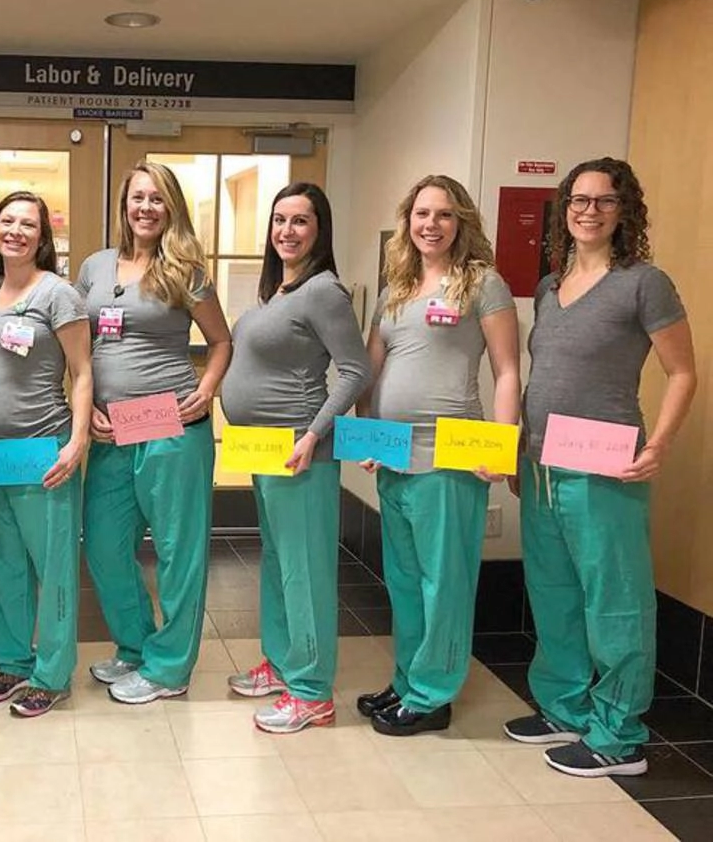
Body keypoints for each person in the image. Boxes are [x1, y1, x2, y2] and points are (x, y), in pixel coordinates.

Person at [504, 157, 696, 778]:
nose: (590, 211)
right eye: (579, 200)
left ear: (624, 210)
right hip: (541, 463)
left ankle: (619, 736)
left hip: (606, 464)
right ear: (564, 209)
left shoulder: (644, 283)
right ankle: (565, 707)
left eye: (605, 200)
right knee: (554, 593)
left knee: (615, 601)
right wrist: (519, 451)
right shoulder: (549, 286)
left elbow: (683, 372)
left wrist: (658, 444)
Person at [355, 175, 520, 736]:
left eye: (444, 214)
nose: (431, 224)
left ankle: (432, 695)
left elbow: (507, 371)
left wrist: (503, 447)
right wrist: (369, 435)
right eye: (422, 213)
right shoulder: (395, 291)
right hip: (396, 459)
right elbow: (370, 371)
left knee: (442, 583)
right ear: (408, 221)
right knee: (404, 582)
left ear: (461, 222)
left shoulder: (483, 284)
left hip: (450, 458)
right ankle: (407, 680)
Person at [77, 160, 232, 705]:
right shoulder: (95, 267)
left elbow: (221, 341)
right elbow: (78, 345)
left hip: (171, 425)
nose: (146, 207)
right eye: (138, 197)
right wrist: (83, 407)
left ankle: (169, 669)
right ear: (124, 205)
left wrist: (207, 390)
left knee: (176, 552)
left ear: (171, 208)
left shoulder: (185, 269)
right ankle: (136, 644)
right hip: (111, 429)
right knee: (103, 544)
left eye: (157, 198)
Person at [220, 182, 370, 733]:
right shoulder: (279, 291)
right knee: (280, 561)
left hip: (299, 453)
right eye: (280, 220)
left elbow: (355, 370)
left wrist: (313, 434)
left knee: (305, 570)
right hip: (265, 452)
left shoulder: (324, 291)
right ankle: (283, 665)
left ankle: (311, 692)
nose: (287, 230)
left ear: (320, 230)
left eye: (300, 221)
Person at [0, 191, 92, 718]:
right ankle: (14, 661)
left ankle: (53, 674)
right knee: (6, 562)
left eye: (27, 224)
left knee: (53, 566)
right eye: (7, 221)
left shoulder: (57, 294)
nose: (15, 231)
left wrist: (78, 441)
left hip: (43, 449)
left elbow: (82, 372)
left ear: (43, 237)